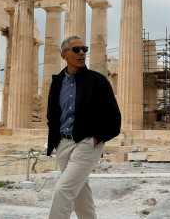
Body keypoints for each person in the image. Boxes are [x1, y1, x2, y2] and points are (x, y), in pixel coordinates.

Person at [46, 36, 121, 219]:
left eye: (84, 49)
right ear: (63, 55)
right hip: (63, 143)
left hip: (87, 142)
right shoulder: (57, 82)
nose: (82, 53)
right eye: (76, 49)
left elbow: (114, 117)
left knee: (63, 190)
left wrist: (96, 138)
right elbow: (53, 114)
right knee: (80, 192)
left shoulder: (98, 81)